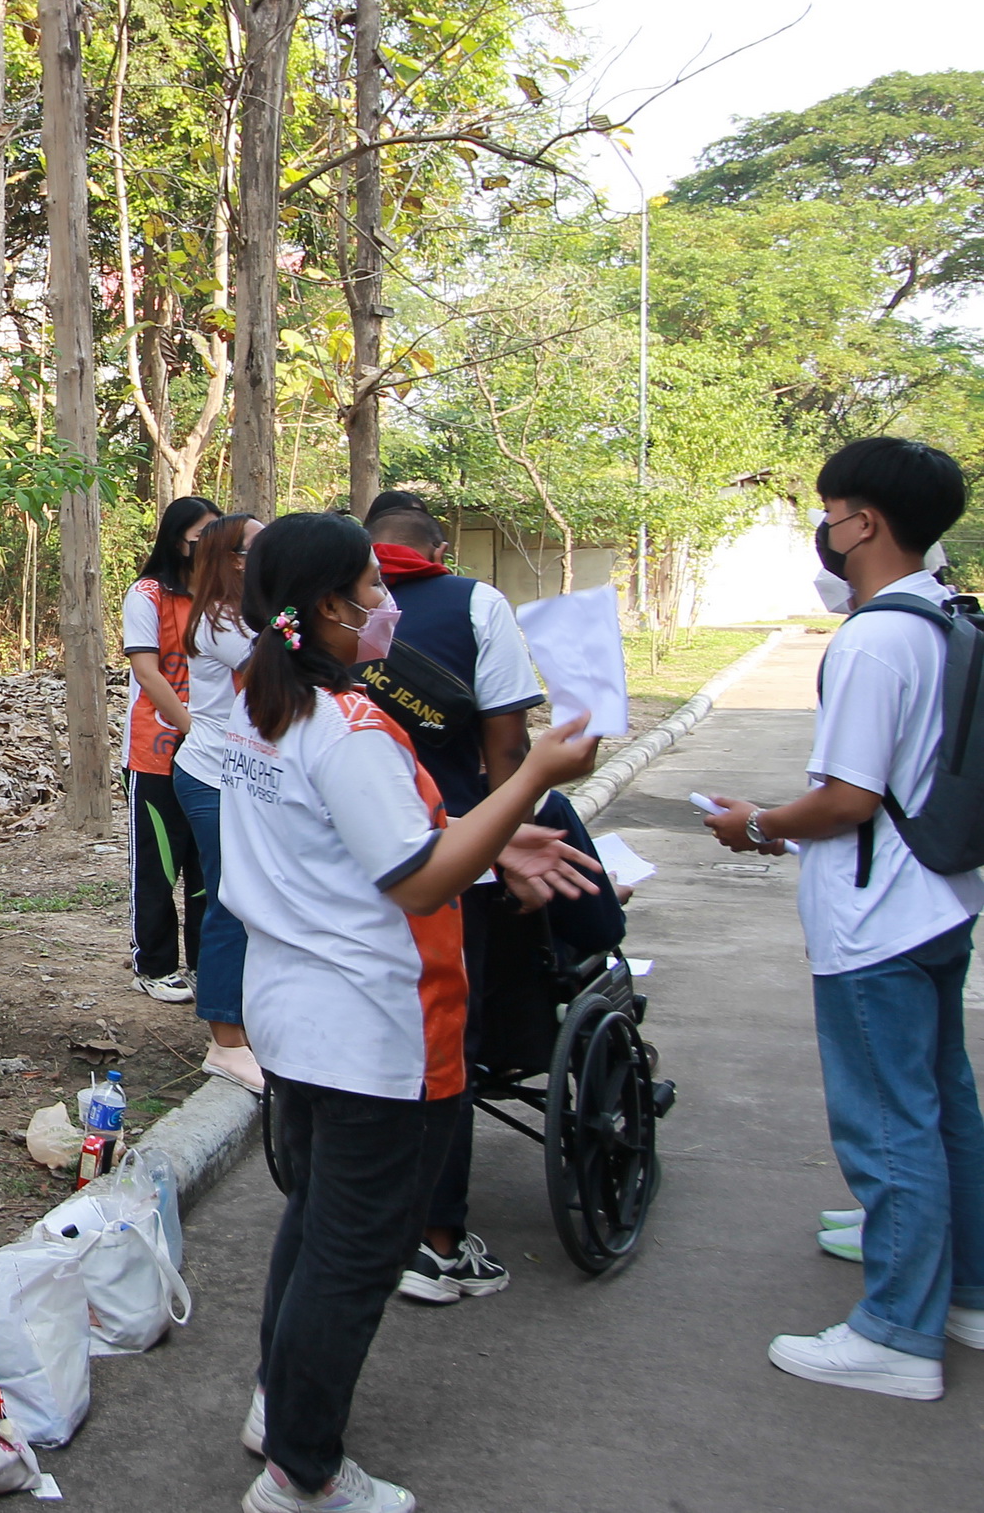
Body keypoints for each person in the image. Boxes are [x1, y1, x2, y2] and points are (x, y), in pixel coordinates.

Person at [218, 511, 601, 1513]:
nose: (387, 605)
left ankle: (280, 1407)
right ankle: (303, 1473)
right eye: (372, 590)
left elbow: (367, 835)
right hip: (370, 1027)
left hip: (294, 1013)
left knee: (315, 1224)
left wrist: (495, 838)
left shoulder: (258, 701)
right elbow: (420, 878)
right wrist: (531, 780)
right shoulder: (348, 728)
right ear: (329, 609)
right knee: (355, 1255)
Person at [706, 436, 984, 1400]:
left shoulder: (871, 638)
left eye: (826, 514)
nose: (821, 533)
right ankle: (965, 1291)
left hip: (877, 919)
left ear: (862, 522)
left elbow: (849, 798)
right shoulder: (944, 613)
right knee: (943, 1102)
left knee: (888, 1124)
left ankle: (896, 1334)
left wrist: (757, 824)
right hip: (938, 897)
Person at [358, 498, 558, 1306]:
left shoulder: (305, 614)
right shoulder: (475, 603)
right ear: (438, 550)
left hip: (346, 864)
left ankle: (357, 1213)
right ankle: (435, 1239)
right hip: (450, 855)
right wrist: (512, 831)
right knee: (444, 1048)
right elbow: (506, 741)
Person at [171, 511, 265, 1092]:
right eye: (259, 545)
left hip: (246, 775)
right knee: (231, 898)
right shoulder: (218, 620)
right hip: (211, 776)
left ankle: (250, 1021)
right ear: (233, 559)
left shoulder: (254, 614)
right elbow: (270, 671)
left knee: (255, 897)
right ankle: (225, 1043)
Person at [122, 494, 224, 1001]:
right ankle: (154, 966)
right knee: (159, 863)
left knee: (209, 867)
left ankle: (208, 964)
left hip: (215, 757)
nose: (209, 547)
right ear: (177, 539)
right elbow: (147, 671)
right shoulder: (148, 595)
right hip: (157, 751)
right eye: (201, 537)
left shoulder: (223, 597)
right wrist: (192, 727)